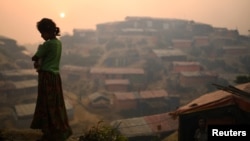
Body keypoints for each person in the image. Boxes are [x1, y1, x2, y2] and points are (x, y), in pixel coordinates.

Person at [31, 18, 72, 141]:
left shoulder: (47, 44)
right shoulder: (58, 43)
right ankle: (60, 130)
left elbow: (35, 57)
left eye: (42, 33)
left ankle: (49, 132)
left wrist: (39, 48)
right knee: (56, 104)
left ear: (47, 32)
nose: (42, 36)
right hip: (55, 77)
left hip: (46, 77)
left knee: (46, 104)